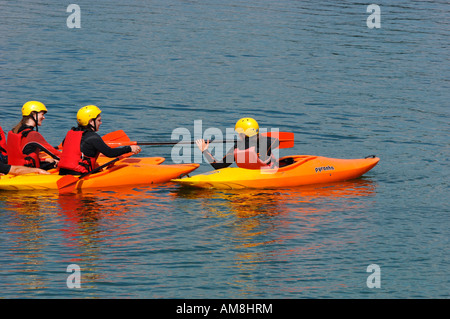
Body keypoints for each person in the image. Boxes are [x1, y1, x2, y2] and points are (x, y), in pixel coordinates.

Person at [58, 105, 141, 175]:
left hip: (62, 172)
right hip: (80, 175)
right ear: (91, 121)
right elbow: (110, 153)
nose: (100, 123)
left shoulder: (70, 133)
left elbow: (72, 148)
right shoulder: (93, 137)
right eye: (99, 120)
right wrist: (129, 149)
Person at [196, 117, 279, 170]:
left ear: (242, 134)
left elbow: (219, 166)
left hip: (250, 175)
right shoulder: (267, 141)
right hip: (266, 173)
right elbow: (277, 141)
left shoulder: (237, 148)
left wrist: (205, 150)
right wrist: (258, 137)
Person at [7, 101, 61, 170]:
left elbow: (21, 155)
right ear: (34, 114)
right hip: (28, 170)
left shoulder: (15, 131)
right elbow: (54, 153)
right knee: (56, 163)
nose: (44, 117)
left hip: (15, 168)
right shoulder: (32, 135)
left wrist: (44, 160)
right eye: (42, 114)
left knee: (51, 161)